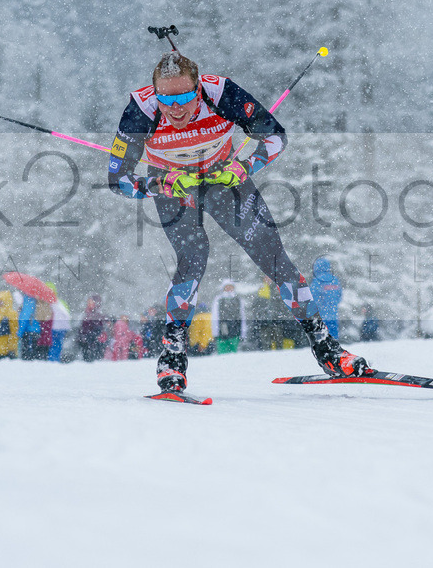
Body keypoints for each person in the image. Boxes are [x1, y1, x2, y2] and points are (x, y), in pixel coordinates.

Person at [107, 50, 370, 392]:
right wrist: (157, 184)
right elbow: (117, 180)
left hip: (223, 179)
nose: (175, 108)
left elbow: (276, 137)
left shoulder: (222, 95)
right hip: (174, 187)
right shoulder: (141, 109)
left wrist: (245, 165)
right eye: (166, 99)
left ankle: (327, 349)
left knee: (275, 259)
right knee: (193, 260)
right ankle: (171, 359)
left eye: (185, 97)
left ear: (199, 90)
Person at [310, 257, 343, 338]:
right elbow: (339, 296)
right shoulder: (334, 280)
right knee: (333, 336)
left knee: (322, 338)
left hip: (321, 315)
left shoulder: (317, 281)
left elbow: (312, 298)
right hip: (333, 314)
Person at [211, 279, 246, 353]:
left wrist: (243, 332)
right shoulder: (218, 300)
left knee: (234, 352)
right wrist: (215, 332)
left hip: (235, 329)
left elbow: (242, 316)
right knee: (222, 352)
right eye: (227, 287)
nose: (229, 289)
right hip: (222, 329)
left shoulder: (238, 299)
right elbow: (215, 316)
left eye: (231, 287)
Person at [0, 291, 20, 360]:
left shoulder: (12, 314)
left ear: (5, 301)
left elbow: (14, 332)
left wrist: (12, 348)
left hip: (6, 352)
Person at [47, 284, 72, 362]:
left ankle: (52, 360)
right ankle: (56, 359)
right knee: (58, 345)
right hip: (62, 328)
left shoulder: (49, 303)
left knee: (53, 345)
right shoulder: (60, 302)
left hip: (53, 328)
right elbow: (67, 314)